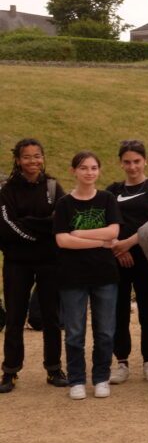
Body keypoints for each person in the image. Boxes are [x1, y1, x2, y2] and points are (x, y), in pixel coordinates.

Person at [0, 138, 67, 394]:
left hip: (50, 262)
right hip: (17, 263)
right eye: (26, 157)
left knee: (51, 317)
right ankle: (10, 371)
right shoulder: (7, 190)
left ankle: (53, 368)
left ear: (43, 157)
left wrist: (28, 223)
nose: (32, 161)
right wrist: (39, 230)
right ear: (18, 160)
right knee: (15, 317)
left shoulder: (52, 187)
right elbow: (6, 227)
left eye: (37, 156)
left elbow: (59, 221)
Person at [54, 151, 121, 400]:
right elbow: (62, 241)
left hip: (104, 275)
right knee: (74, 331)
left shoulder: (107, 199)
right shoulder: (64, 204)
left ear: (99, 171)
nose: (89, 172)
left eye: (94, 168)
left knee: (105, 330)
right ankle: (77, 379)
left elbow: (114, 231)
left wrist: (79, 234)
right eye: (83, 168)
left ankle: (101, 377)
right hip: (72, 276)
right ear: (74, 171)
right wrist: (100, 240)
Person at [106, 140, 148, 385]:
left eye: (137, 161)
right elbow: (108, 223)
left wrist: (129, 243)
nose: (132, 167)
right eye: (127, 162)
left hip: (147, 258)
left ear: (145, 161)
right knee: (118, 311)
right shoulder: (112, 190)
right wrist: (119, 249)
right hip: (118, 257)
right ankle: (121, 362)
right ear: (121, 163)